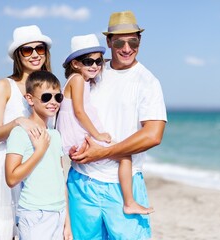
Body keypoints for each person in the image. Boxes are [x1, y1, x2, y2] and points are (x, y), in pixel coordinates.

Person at [67, 10, 167, 239]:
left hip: (123, 186)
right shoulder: (92, 72)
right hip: (82, 183)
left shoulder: (148, 82)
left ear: (139, 41)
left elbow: (153, 135)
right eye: (120, 41)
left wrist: (102, 153)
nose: (126, 47)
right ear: (109, 41)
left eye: (133, 41)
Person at [56, 33, 154, 218]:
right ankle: (129, 203)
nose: (94, 66)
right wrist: (98, 134)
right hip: (78, 135)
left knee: (122, 154)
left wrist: (106, 63)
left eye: (98, 61)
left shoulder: (82, 79)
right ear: (75, 64)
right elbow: (79, 111)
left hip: (75, 134)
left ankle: (128, 202)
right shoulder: (77, 80)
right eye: (88, 61)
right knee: (124, 155)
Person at [0, 25, 52, 239]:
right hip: (9, 165)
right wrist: (18, 122)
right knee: (7, 232)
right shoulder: (4, 86)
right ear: (17, 55)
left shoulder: (50, 86)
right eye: (26, 50)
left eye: (39, 49)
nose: (34, 55)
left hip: (40, 166)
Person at [5, 70, 72, 240]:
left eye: (58, 97)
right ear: (29, 99)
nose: (53, 102)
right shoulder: (20, 133)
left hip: (58, 213)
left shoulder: (55, 135)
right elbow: (11, 179)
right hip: (35, 214)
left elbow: (60, 178)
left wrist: (67, 224)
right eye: (46, 97)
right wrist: (39, 151)